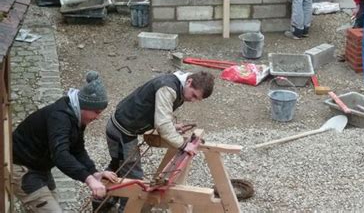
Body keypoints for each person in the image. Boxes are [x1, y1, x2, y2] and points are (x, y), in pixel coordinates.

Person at [105, 71, 215, 210]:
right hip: (121, 130)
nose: (193, 100)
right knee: (133, 177)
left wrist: (172, 127)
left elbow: (159, 115)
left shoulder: (177, 87)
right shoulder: (168, 88)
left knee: (118, 168)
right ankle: (126, 209)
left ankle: (107, 202)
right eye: (194, 95)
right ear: (189, 82)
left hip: (125, 128)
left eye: (197, 99)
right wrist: (183, 144)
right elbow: (162, 124)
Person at [12, 71, 118, 212]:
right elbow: (60, 155)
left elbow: (77, 150)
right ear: (84, 106)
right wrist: (88, 179)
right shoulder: (60, 119)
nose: (98, 117)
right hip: (21, 168)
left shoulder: (76, 116)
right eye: (96, 112)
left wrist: (94, 173)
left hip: (40, 166)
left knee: (50, 206)